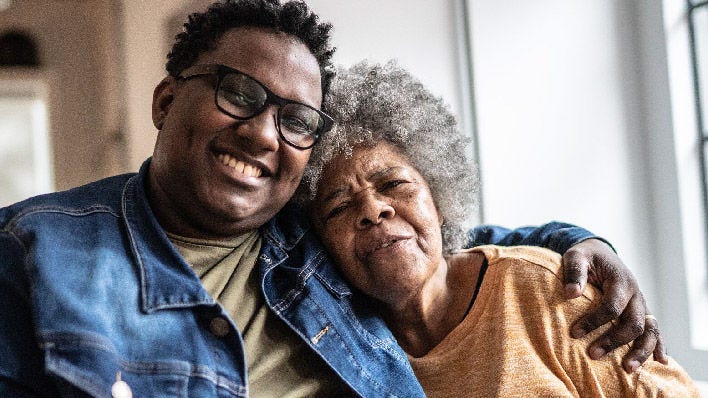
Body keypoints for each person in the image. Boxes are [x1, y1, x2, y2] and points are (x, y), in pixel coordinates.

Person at [0, 1, 661, 397]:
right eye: (238, 93)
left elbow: (441, 240)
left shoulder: (313, 240)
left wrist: (579, 242)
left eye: (296, 121)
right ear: (167, 101)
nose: (262, 132)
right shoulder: (35, 251)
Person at [302, 61, 699, 397]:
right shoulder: (335, 347)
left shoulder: (545, 288)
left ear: (440, 199)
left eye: (393, 184)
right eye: (338, 206)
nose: (373, 209)